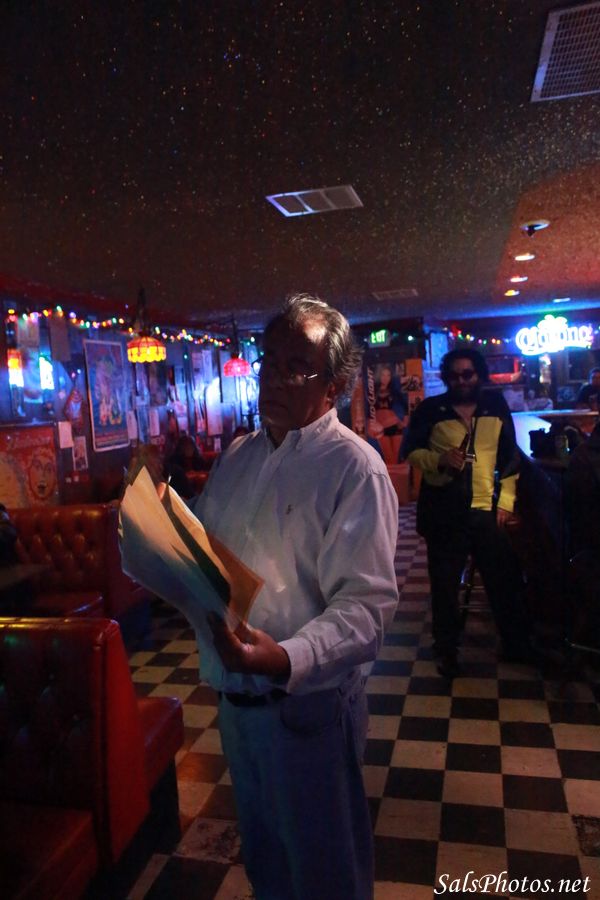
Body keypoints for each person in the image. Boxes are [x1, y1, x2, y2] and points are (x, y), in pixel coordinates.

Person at [174, 294, 398, 900]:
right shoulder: (238, 456)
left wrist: (284, 657)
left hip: (308, 712)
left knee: (326, 877)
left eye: (295, 367)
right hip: (234, 703)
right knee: (268, 867)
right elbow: (205, 550)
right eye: (268, 361)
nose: (273, 378)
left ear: (334, 385)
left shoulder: (355, 468)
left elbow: (366, 611)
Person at [402, 348, 533, 679]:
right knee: (445, 587)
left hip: (486, 510)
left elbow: (510, 458)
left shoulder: (495, 406)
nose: (461, 380)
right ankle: (446, 650)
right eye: (455, 375)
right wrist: (439, 460)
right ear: (446, 377)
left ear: (479, 375)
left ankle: (516, 644)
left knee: (503, 580)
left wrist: (505, 502)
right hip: (444, 513)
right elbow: (411, 452)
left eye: (468, 374)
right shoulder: (431, 410)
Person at [366, 363, 407, 465]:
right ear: (379, 376)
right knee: (388, 458)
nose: (385, 378)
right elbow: (368, 412)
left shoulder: (395, 392)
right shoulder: (372, 392)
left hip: (395, 426)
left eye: (388, 375)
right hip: (381, 428)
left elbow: (405, 407)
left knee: (396, 457)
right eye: (383, 375)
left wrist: (404, 421)